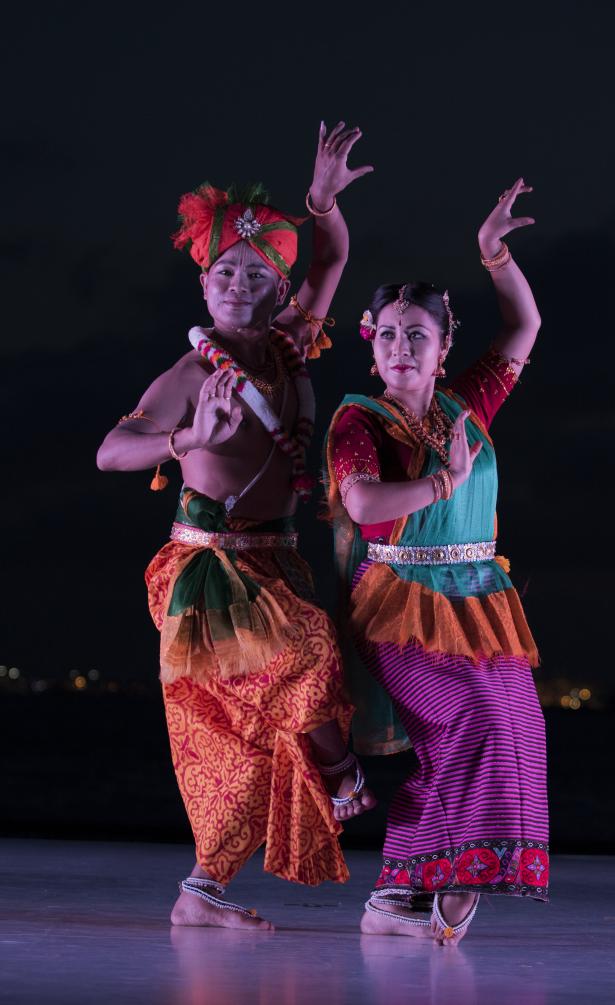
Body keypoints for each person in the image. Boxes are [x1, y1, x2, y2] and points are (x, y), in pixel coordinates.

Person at [97, 121, 376, 930]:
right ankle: (345, 771)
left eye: (257, 274)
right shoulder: (192, 373)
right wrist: (188, 439)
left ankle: (202, 891)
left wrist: (321, 202)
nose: (238, 285)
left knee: (244, 746)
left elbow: (330, 259)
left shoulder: (290, 350)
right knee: (308, 650)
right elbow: (114, 451)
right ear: (204, 283)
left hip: (275, 561)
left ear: (278, 291)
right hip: (208, 574)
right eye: (224, 271)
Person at [325, 178, 549, 946]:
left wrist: (494, 255)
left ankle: (403, 891)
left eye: (417, 334)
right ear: (372, 341)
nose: (400, 348)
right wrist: (441, 480)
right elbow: (359, 503)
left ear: (444, 345)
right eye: (387, 333)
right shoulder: (360, 417)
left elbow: (525, 323)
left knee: (518, 726)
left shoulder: (467, 403)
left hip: (479, 595)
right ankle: (416, 880)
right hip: (397, 596)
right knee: (465, 724)